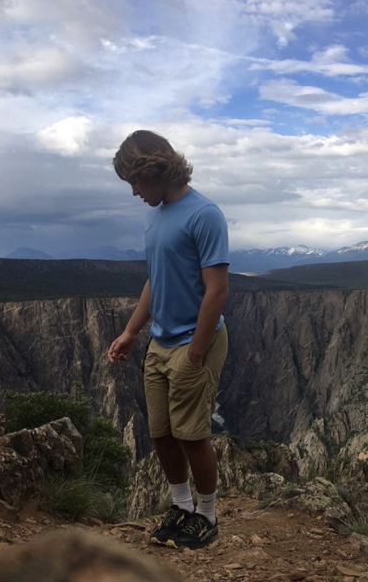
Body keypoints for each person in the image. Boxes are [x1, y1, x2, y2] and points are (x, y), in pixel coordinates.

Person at [107, 130, 229, 550]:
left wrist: (197, 348)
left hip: (194, 342)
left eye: (136, 182)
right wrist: (131, 331)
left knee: (193, 434)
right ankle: (182, 506)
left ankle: (208, 515)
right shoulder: (153, 216)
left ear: (154, 170)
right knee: (161, 432)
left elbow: (217, 290)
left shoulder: (204, 214)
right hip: (160, 342)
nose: (135, 192)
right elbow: (156, 281)